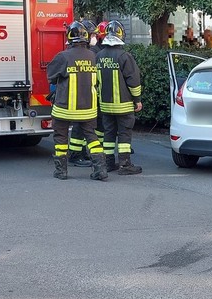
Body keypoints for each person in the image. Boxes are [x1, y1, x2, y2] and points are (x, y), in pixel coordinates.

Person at [46, 21, 108, 181]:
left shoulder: (63, 56)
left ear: (69, 38)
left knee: (60, 138)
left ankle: (61, 172)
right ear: (86, 38)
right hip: (88, 108)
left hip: (64, 108)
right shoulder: (93, 56)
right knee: (91, 137)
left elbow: (51, 77)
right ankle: (100, 170)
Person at [96, 20, 143, 175]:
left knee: (108, 134)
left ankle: (108, 163)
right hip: (123, 106)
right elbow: (133, 81)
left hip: (105, 106)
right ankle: (125, 165)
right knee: (124, 134)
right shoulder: (124, 56)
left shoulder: (99, 56)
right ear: (121, 35)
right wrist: (137, 100)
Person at [67, 19, 98, 167]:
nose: (94, 37)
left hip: (82, 97)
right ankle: (76, 154)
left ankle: (80, 153)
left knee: (82, 128)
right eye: (91, 34)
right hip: (81, 98)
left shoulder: (85, 52)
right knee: (80, 128)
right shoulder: (87, 54)